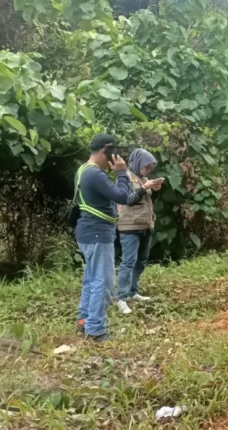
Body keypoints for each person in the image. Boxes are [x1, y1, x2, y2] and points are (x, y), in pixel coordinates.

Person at [74, 135, 159, 342]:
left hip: (88, 231)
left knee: (92, 279)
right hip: (96, 233)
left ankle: (84, 320)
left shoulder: (83, 170)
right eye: (114, 152)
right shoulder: (94, 174)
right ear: (105, 150)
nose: (117, 157)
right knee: (103, 282)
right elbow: (122, 196)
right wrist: (121, 172)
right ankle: (95, 329)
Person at [115, 149, 164, 314]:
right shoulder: (126, 177)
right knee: (128, 262)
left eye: (151, 168)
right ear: (137, 163)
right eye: (146, 167)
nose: (148, 170)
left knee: (141, 261)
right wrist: (144, 188)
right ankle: (121, 298)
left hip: (145, 225)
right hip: (130, 226)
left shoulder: (143, 179)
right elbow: (127, 199)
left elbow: (143, 200)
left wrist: (153, 187)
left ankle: (133, 291)